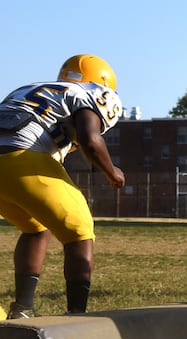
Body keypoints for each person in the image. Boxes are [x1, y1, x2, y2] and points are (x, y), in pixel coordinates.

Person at [0, 54, 125, 318]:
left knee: (36, 227)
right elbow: (91, 140)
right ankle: (76, 315)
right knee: (79, 229)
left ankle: (21, 309)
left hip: (12, 157)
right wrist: (112, 171)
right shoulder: (94, 92)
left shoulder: (27, 89)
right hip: (22, 156)